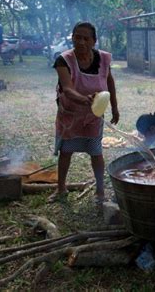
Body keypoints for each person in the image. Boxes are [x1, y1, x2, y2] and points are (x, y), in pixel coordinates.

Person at [49, 22, 119, 204]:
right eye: (77, 37)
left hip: (94, 116)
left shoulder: (103, 59)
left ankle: (100, 191)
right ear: (72, 37)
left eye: (86, 38)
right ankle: (61, 189)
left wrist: (114, 106)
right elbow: (68, 89)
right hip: (70, 115)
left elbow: (109, 81)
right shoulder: (63, 60)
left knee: (96, 153)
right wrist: (85, 100)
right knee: (66, 152)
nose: (80, 42)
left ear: (94, 41)